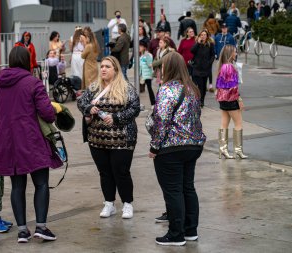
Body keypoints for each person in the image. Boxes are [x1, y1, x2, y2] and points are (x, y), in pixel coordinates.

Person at [0, 46, 62, 243]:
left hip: (7, 142)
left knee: (17, 186)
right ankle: (41, 227)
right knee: (41, 183)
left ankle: (22, 231)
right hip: (31, 141)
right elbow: (47, 113)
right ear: (27, 61)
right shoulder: (33, 83)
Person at [149, 52, 206, 246]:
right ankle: (190, 231)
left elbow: (161, 121)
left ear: (169, 67)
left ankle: (176, 234)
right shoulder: (193, 89)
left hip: (171, 148)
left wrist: (154, 147)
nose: (161, 69)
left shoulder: (167, 89)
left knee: (173, 191)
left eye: (163, 66)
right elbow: (196, 116)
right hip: (193, 145)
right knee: (187, 187)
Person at [77, 56, 140, 220]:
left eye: (107, 67)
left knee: (121, 172)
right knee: (104, 173)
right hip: (97, 139)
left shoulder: (126, 88)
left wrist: (116, 118)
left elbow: (135, 108)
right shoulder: (93, 87)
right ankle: (109, 203)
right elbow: (81, 102)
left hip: (122, 139)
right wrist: (89, 108)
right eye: (102, 66)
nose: (103, 69)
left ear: (116, 70)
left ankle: (127, 203)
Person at [216, 44, 248, 159]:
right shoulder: (230, 67)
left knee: (224, 123)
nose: (236, 54)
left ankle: (223, 150)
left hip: (223, 99)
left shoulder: (222, 66)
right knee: (238, 123)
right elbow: (233, 87)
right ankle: (238, 150)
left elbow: (219, 85)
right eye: (234, 52)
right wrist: (239, 99)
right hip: (231, 99)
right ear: (230, 54)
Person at [191, 29, 215, 107]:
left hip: (205, 69)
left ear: (207, 36)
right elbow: (192, 51)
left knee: (203, 87)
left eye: (204, 35)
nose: (203, 36)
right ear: (199, 36)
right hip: (196, 68)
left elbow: (212, 55)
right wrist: (198, 43)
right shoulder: (197, 44)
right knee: (195, 85)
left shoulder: (210, 44)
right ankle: (196, 100)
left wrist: (209, 63)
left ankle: (202, 101)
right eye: (201, 35)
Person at [139, 40, 155, 107]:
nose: (139, 47)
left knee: (149, 89)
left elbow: (149, 64)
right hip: (141, 75)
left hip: (147, 75)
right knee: (139, 89)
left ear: (144, 47)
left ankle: (153, 103)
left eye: (140, 46)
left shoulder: (148, 55)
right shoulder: (140, 55)